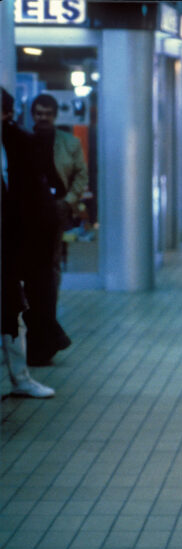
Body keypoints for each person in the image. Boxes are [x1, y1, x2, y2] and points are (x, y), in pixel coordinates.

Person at [1, 88, 57, 397]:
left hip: (11, 238)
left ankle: (20, 377)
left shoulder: (19, 144)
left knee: (12, 309)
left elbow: (34, 197)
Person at [22, 93, 80, 366]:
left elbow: (81, 174)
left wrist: (67, 202)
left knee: (50, 268)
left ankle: (47, 320)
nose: (42, 118)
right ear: (32, 114)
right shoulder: (24, 141)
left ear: (55, 115)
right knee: (35, 273)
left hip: (55, 209)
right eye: (38, 113)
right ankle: (46, 326)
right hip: (29, 214)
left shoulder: (69, 143)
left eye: (47, 113)